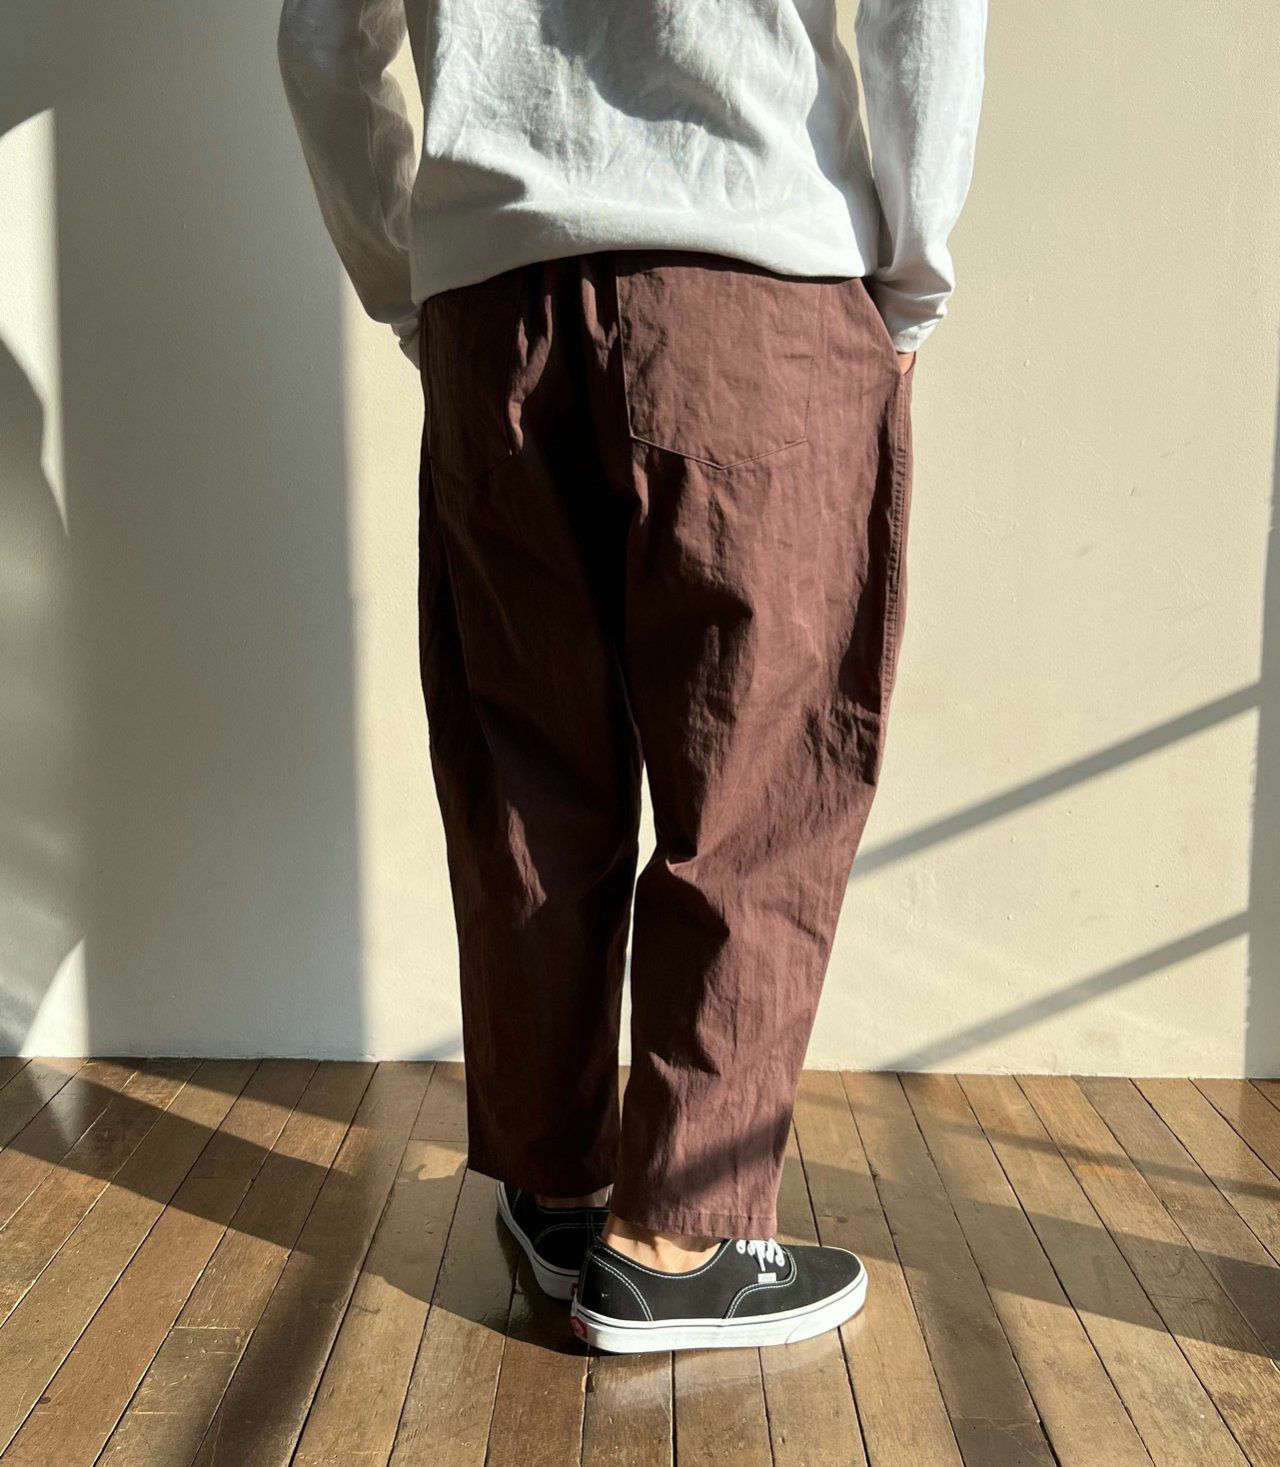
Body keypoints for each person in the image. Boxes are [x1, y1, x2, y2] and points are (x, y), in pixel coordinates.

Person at [278, 0, 985, 1354]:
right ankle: (678, 1244)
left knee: (528, 766)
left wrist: (415, 279)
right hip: (755, 265)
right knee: (763, 783)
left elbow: (323, 37)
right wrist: (910, 274)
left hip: (495, 293)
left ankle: (559, 1190)